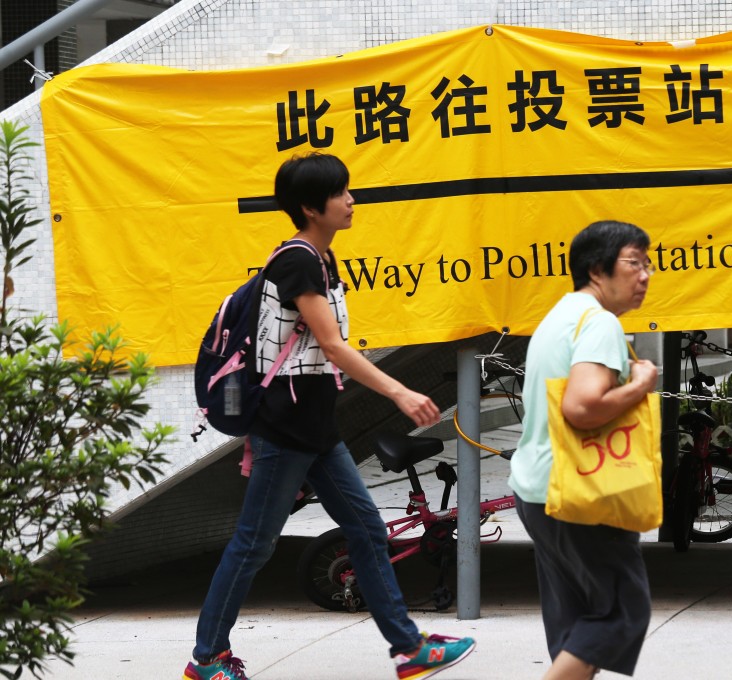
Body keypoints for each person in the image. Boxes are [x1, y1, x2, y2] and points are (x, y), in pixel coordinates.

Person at [184, 152, 476, 680]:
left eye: (348, 190)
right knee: (254, 544)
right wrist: (400, 393)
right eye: (340, 193)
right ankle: (207, 658)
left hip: (312, 428)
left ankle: (408, 649)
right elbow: (333, 347)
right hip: (286, 429)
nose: (350, 200)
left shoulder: (320, 260)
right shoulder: (298, 261)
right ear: (308, 207)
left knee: (366, 530)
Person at [509, 220, 659, 680]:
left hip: (538, 490)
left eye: (648, 264)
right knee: (620, 613)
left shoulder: (559, 316)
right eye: (634, 263)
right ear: (598, 270)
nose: (646, 275)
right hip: (580, 492)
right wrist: (640, 385)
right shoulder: (599, 323)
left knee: (575, 625)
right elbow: (581, 406)